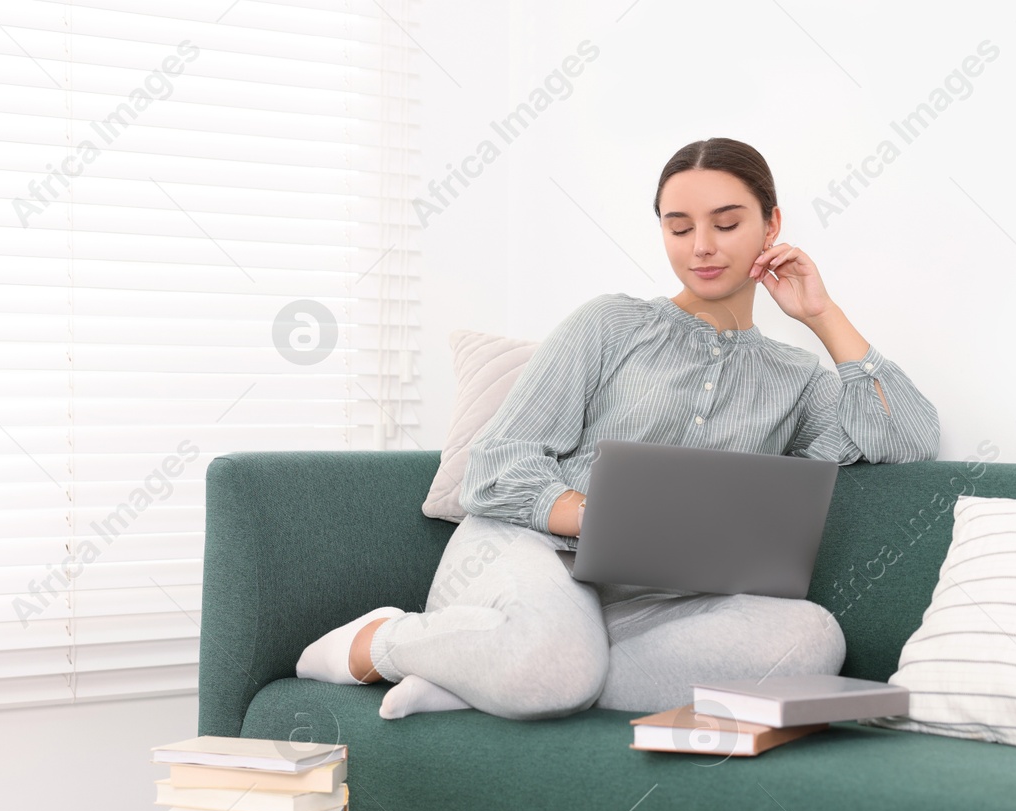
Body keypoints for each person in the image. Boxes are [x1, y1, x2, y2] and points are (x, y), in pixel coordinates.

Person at [296, 137, 940, 720]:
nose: (702, 247)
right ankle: (385, 640)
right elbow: (497, 464)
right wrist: (600, 517)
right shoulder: (609, 324)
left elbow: (909, 437)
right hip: (531, 551)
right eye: (678, 226)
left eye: (727, 223)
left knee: (812, 637)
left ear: (772, 224)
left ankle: (491, 677)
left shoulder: (796, 378)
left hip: (656, 604)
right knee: (557, 653)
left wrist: (822, 316)